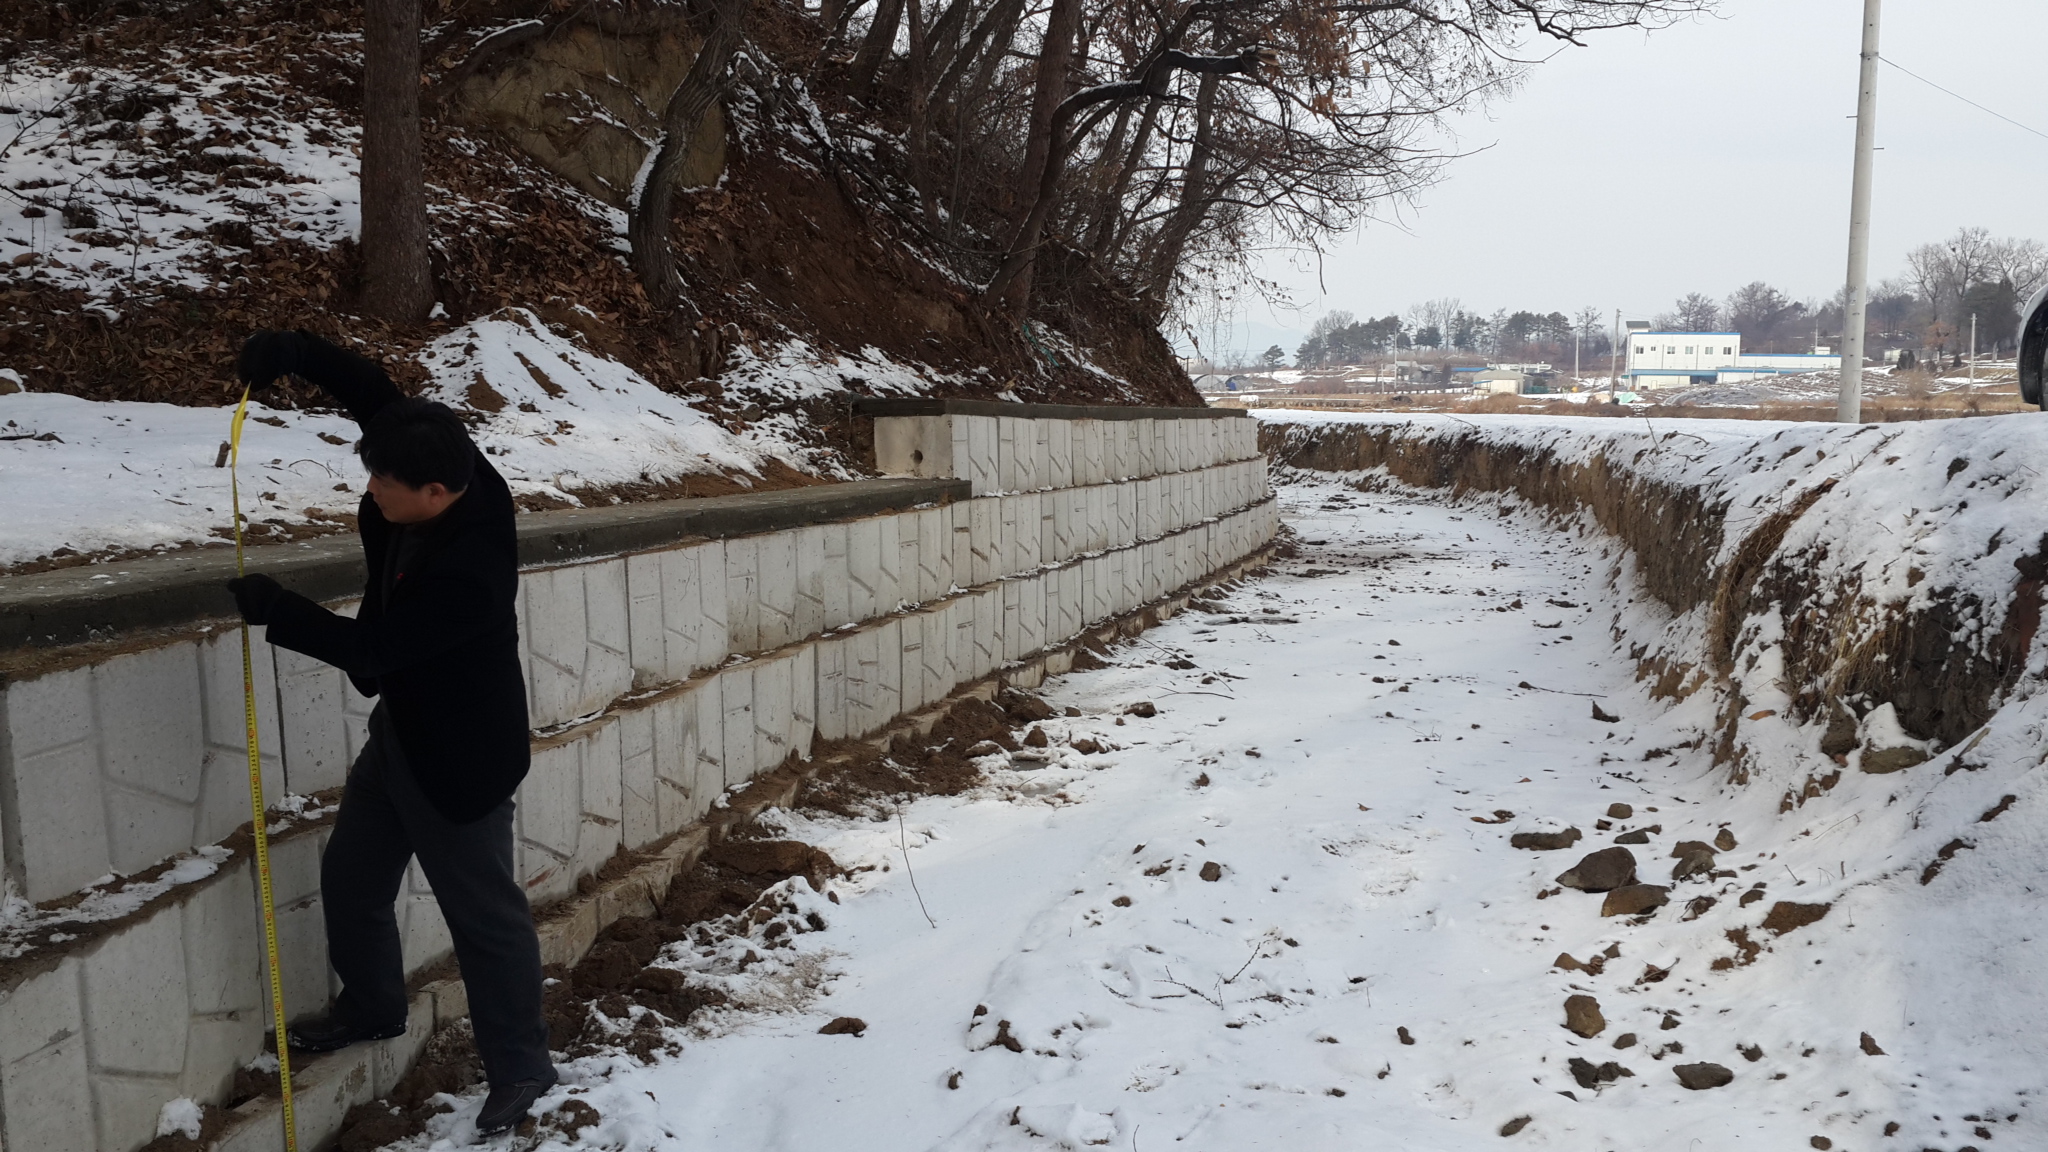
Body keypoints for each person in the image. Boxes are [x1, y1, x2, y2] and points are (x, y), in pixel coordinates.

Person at [225, 330, 556, 1136]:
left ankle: (522, 1067)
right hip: (401, 733)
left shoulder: (469, 574)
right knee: (352, 879)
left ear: (436, 493)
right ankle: (372, 1007)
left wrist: (281, 609)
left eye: (384, 481)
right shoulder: (442, 459)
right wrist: (293, 352)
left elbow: (373, 652)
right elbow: (374, 391)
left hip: (461, 762)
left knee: (485, 919)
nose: (370, 488)